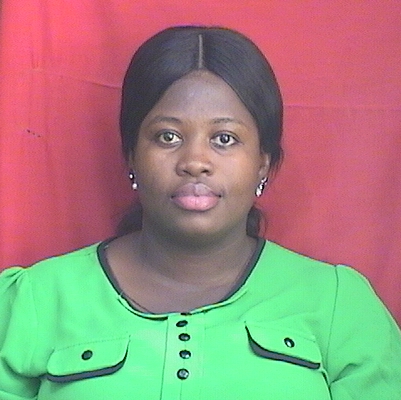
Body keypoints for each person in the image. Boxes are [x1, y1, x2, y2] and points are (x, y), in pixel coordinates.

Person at [0, 26, 400, 400]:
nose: (195, 161)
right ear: (132, 156)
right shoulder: (35, 299)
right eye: (168, 136)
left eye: (224, 139)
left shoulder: (338, 304)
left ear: (262, 163)